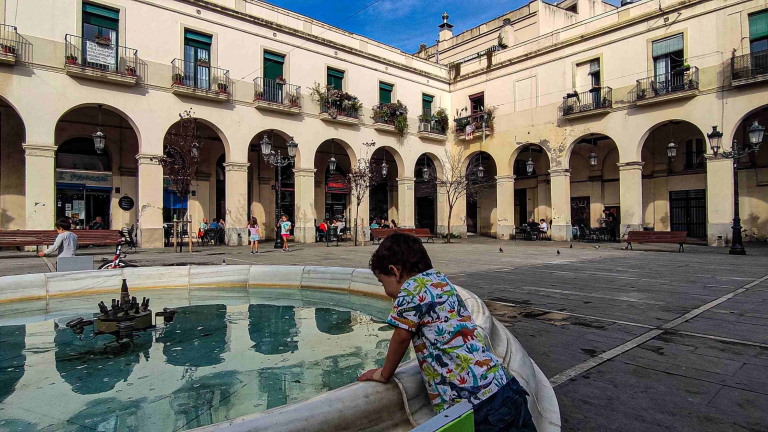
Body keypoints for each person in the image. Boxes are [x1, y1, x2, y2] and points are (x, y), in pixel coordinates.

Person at [358, 233, 536, 432]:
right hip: (505, 386)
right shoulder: (439, 281)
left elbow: (401, 336)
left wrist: (384, 374)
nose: (385, 291)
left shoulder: (410, 289)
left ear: (395, 271)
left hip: (476, 404)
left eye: (382, 283)